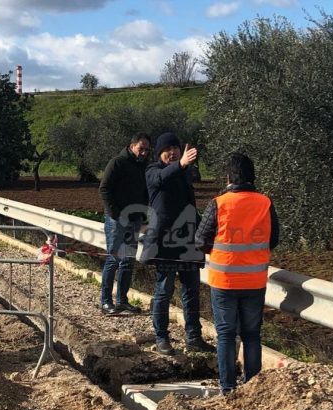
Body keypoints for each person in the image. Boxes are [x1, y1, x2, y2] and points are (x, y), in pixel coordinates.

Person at [196, 152, 279, 394]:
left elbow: (201, 240)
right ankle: (252, 387)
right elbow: (273, 239)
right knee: (252, 334)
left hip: (224, 281)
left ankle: (227, 388)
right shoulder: (265, 203)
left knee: (225, 335)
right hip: (255, 281)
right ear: (252, 177)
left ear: (229, 177)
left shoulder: (219, 203)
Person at [141, 132, 216, 355]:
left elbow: (189, 207)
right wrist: (181, 164)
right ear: (159, 153)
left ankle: (194, 336)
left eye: (175, 148)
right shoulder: (152, 171)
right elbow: (161, 179)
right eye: (168, 149)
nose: (172, 152)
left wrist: (207, 229)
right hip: (165, 243)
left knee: (192, 290)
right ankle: (161, 336)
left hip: (188, 242)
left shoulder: (184, 175)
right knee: (164, 290)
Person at [98, 132, 151, 315]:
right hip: (117, 220)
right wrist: (115, 213)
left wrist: (143, 212)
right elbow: (104, 188)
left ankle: (122, 300)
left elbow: (144, 192)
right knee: (114, 259)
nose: (143, 153)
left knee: (128, 261)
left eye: (146, 150)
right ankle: (105, 301)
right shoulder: (117, 163)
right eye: (141, 149)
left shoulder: (143, 166)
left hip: (134, 219)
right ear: (132, 146)